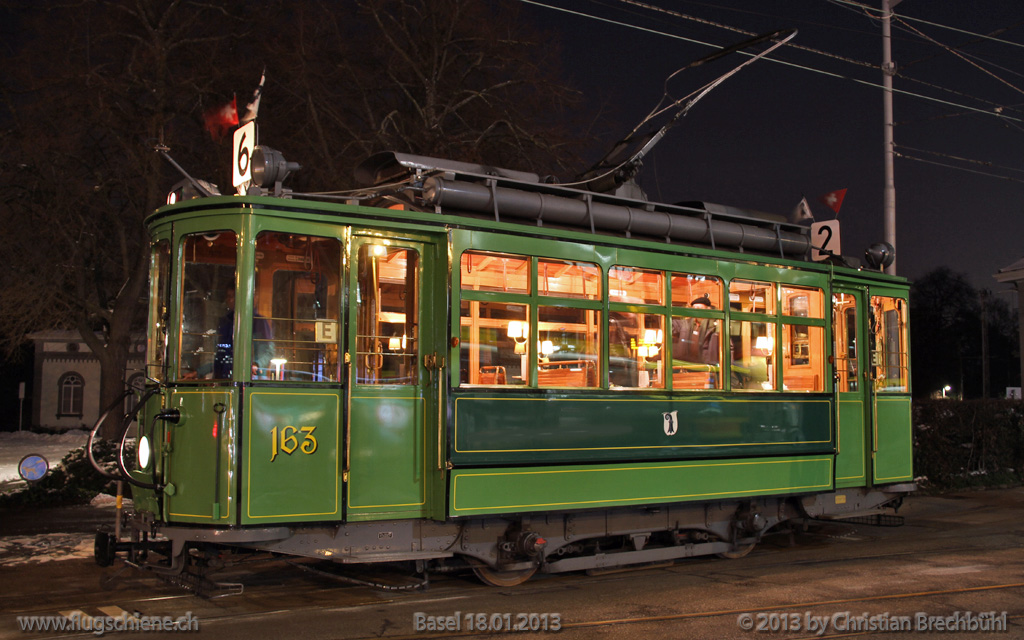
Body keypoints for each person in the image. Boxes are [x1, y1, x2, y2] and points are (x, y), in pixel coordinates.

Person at [672, 294, 719, 365]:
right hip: (686, 364)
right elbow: (671, 326)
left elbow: (727, 348)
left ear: (708, 309)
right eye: (694, 308)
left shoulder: (713, 327)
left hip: (705, 366)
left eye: (699, 308)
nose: (696, 311)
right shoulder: (686, 324)